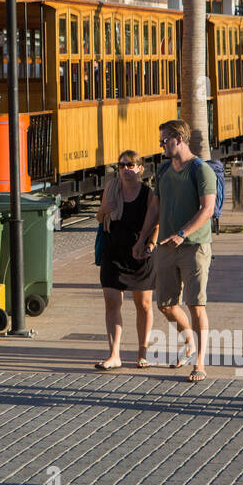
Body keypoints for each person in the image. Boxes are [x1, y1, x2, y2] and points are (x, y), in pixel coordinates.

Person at [135, 119, 216, 382]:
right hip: (165, 247)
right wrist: (142, 239)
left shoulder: (200, 170)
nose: (161, 144)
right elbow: (155, 209)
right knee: (166, 305)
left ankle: (199, 361)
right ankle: (189, 341)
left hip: (194, 246)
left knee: (196, 305)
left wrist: (183, 233)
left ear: (179, 139)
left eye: (164, 140)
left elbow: (207, 209)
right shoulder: (163, 170)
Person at [93, 151, 157, 370]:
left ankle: (142, 353)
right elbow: (101, 219)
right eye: (121, 166)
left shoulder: (148, 193)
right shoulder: (110, 190)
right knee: (112, 302)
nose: (126, 169)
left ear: (140, 168)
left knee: (144, 305)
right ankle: (114, 355)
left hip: (139, 254)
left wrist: (149, 245)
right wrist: (103, 210)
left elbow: (156, 221)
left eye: (130, 165)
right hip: (113, 252)